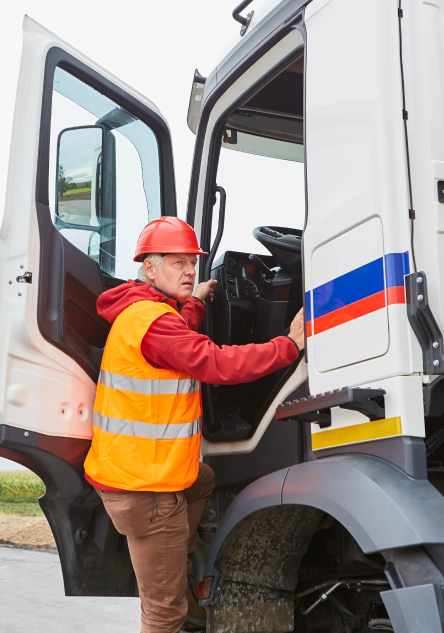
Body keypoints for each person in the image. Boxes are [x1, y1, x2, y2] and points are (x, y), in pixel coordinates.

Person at [83, 217, 306, 633]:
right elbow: (216, 362)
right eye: (177, 263)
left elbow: (177, 333)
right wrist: (288, 345)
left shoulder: (142, 311)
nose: (189, 271)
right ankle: (175, 576)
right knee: (163, 615)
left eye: (192, 263)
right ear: (149, 268)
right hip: (149, 493)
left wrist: (196, 301)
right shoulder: (155, 324)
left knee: (202, 480)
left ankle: (178, 562)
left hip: (129, 475)